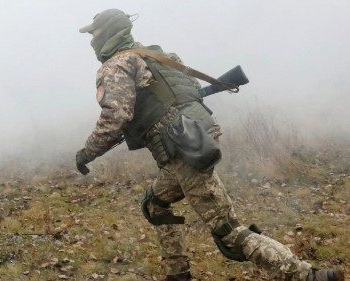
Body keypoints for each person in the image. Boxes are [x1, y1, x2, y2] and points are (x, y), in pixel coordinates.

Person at [75, 8, 344, 281]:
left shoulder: (115, 66)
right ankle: (178, 273)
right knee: (155, 204)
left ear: (109, 32)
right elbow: (188, 92)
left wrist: (86, 153)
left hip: (182, 148)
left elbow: (116, 116)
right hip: (195, 137)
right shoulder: (155, 55)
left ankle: (308, 275)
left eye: (94, 32)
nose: (92, 39)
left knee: (227, 231)